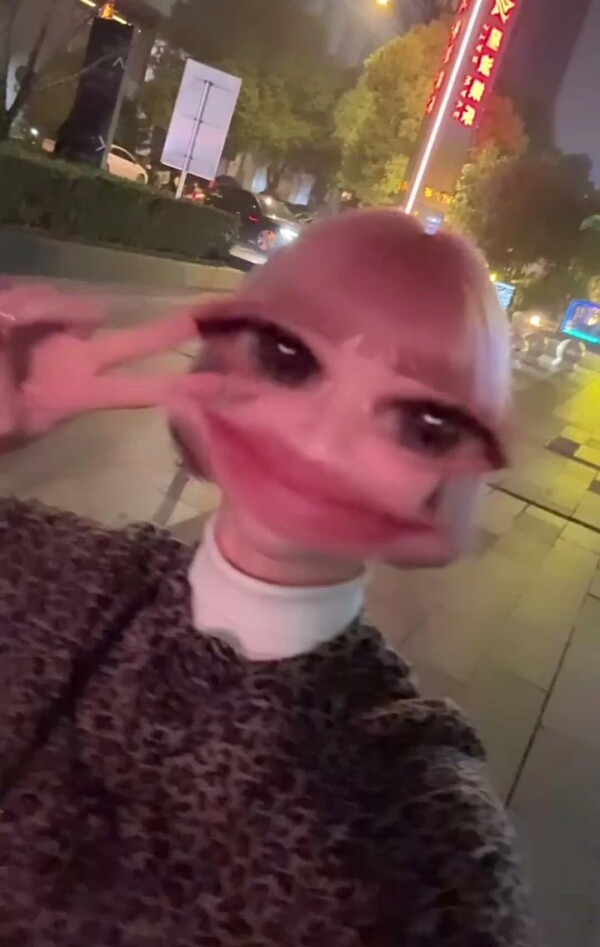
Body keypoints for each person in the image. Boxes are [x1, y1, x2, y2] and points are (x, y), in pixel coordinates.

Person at [0, 211, 533, 946]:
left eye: (422, 425)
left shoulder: (426, 846)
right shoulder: (55, 571)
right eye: (289, 359)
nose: (323, 438)